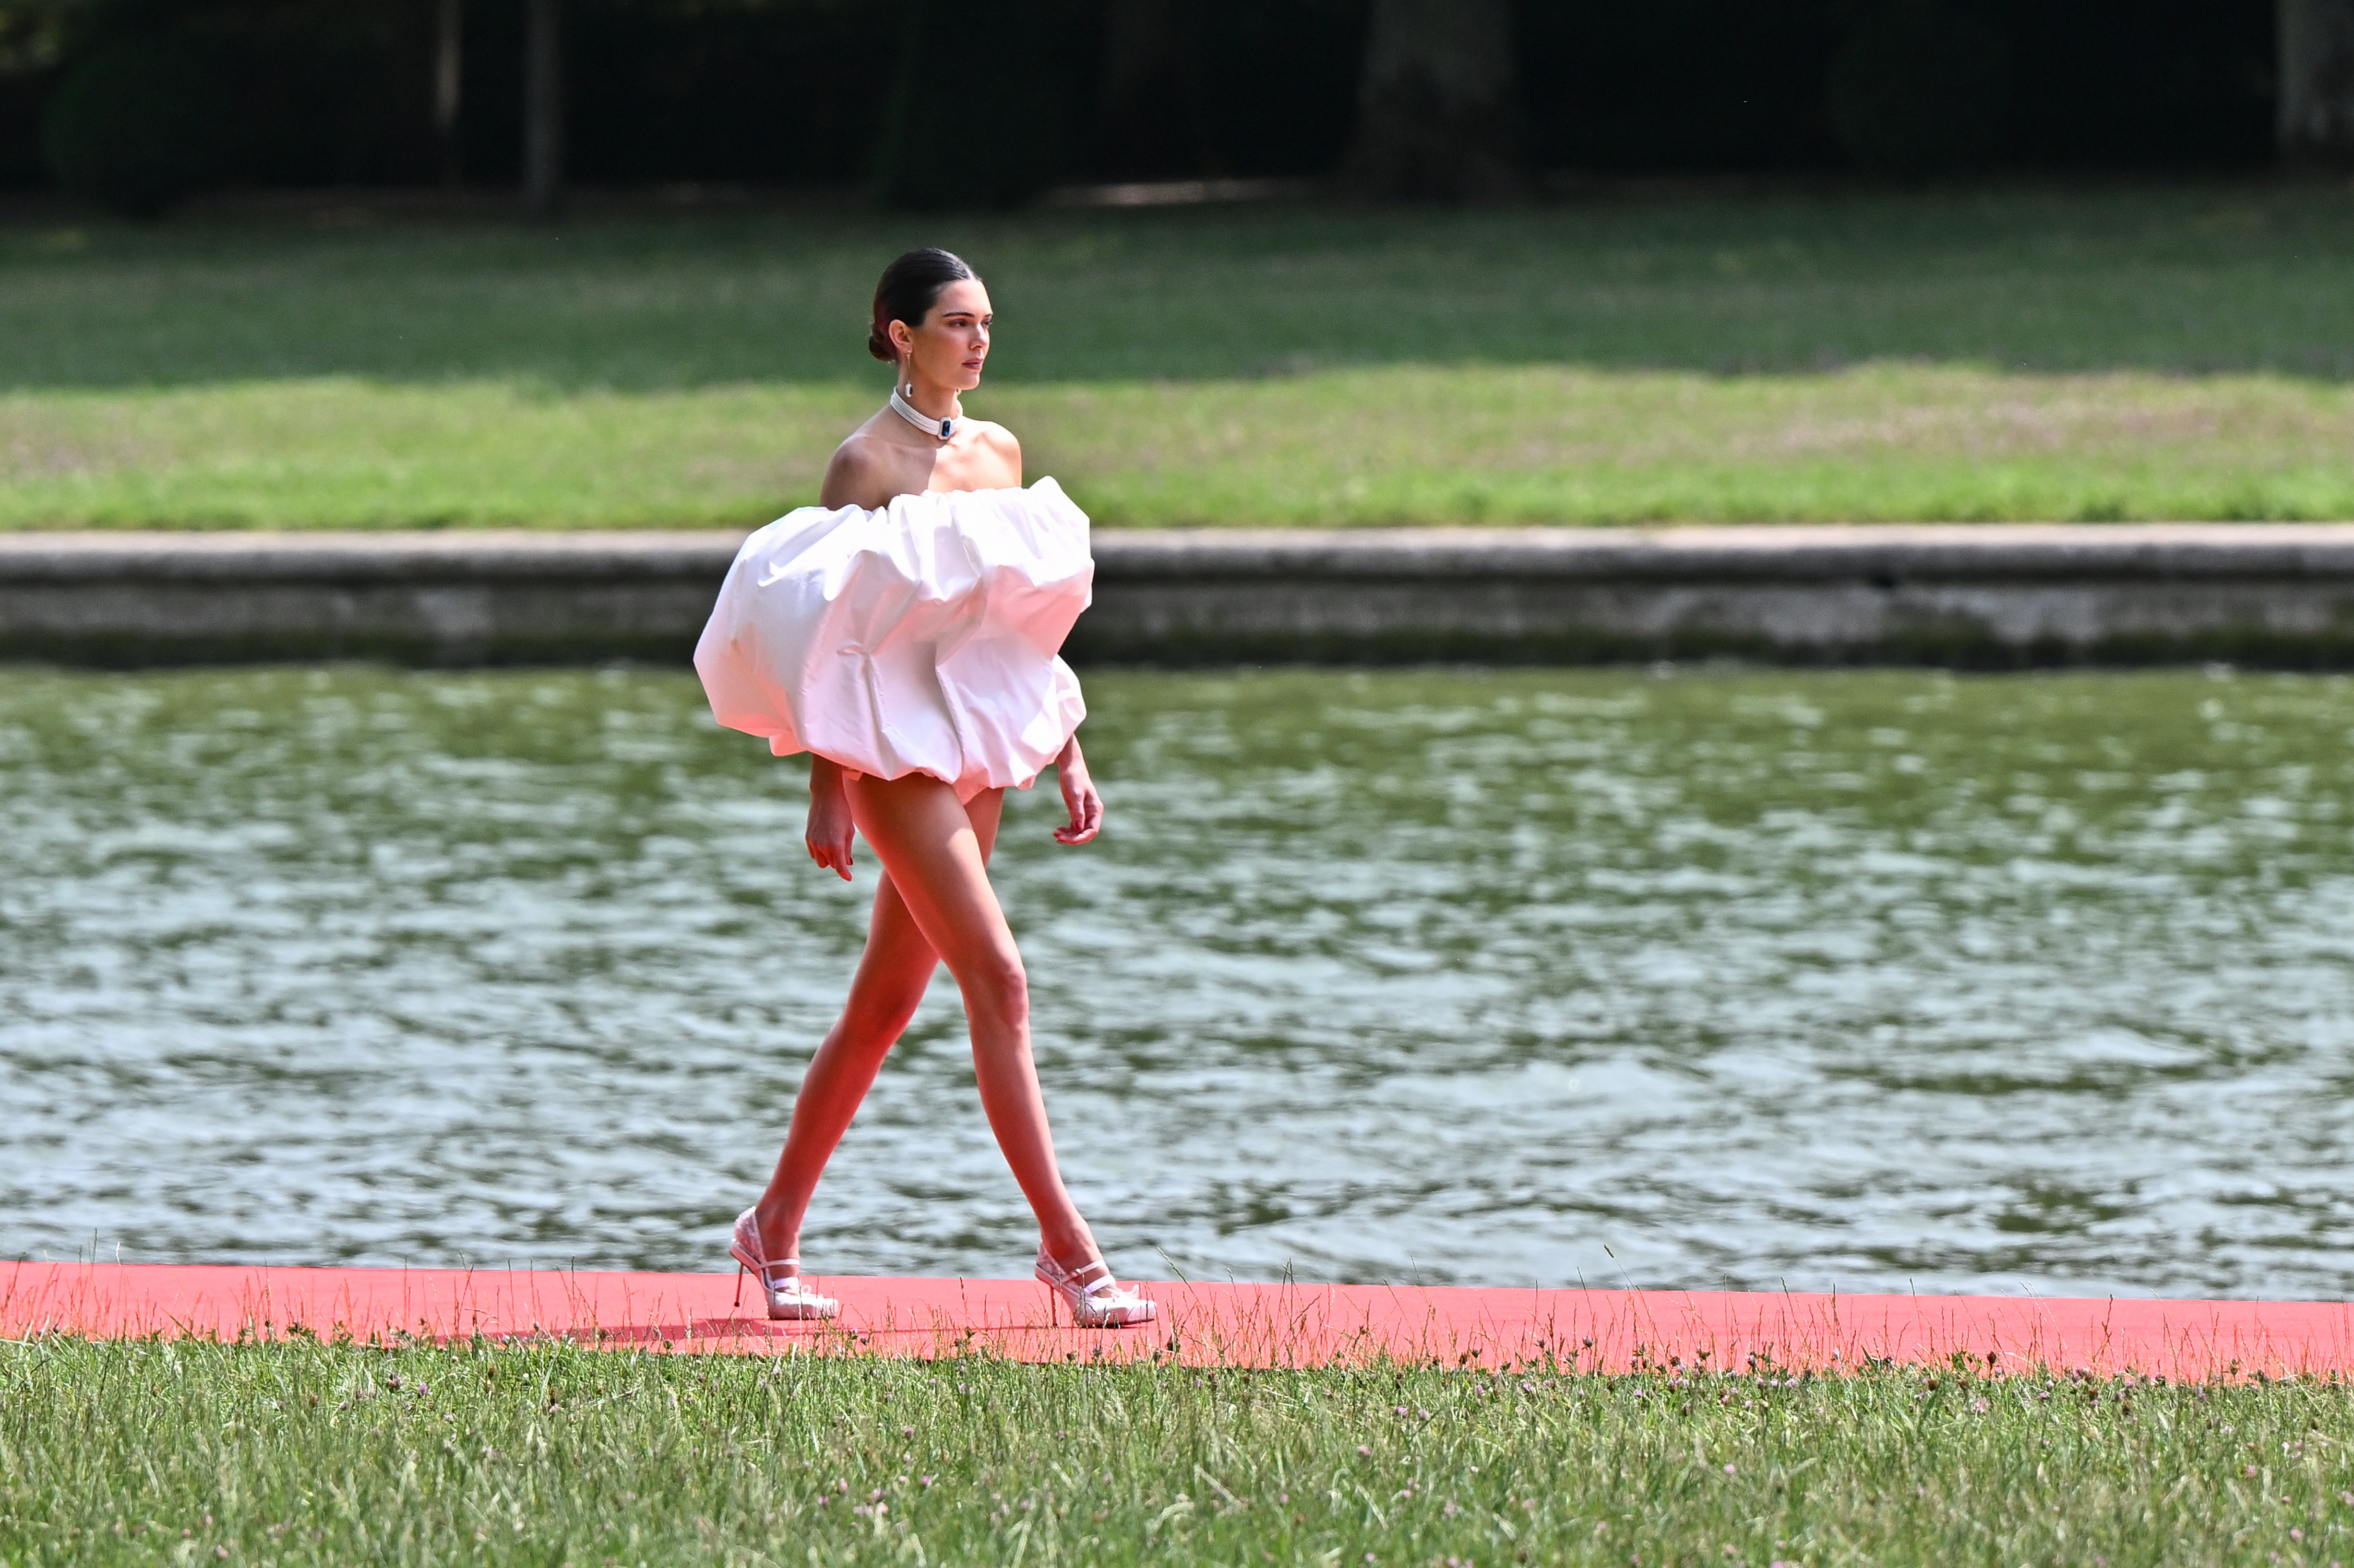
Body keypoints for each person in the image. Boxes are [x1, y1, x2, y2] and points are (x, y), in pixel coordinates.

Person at [693, 247, 1155, 1329]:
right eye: (957, 322)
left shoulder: (999, 453)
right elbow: (826, 637)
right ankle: (1071, 1253)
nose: (979, 340)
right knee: (1000, 978)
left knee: (884, 1004)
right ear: (901, 336)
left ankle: (771, 1227)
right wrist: (826, 784)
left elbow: (1017, 624)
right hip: (886, 753)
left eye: (986, 321)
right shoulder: (863, 464)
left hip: (974, 740)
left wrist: (1067, 741)